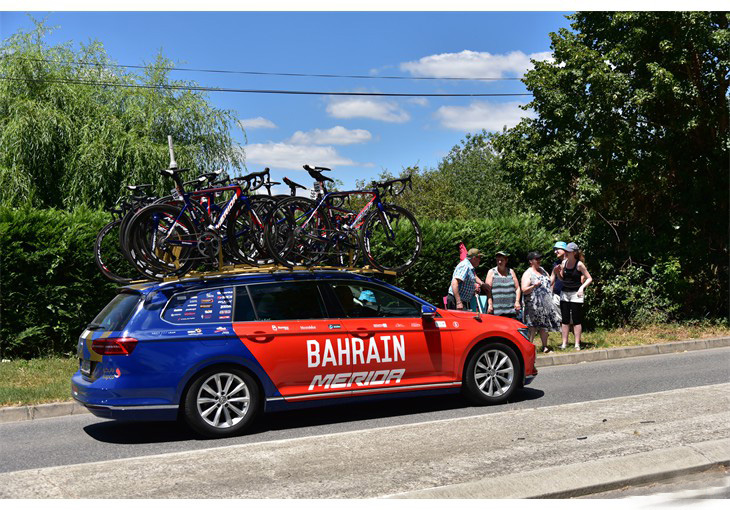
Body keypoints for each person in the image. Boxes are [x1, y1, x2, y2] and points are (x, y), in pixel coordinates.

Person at [521, 251, 561, 352]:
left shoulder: (542, 270)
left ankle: (545, 347)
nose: (539, 260)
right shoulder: (528, 273)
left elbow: (549, 282)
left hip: (544, 303)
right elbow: (524, 289)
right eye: (536, 259)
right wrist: (534, 286)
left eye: (539, 258)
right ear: (531, 261)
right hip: (533, 305)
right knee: (532, 327)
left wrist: (553, 273)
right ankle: (529, 348)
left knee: (544, 326)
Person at [556, 242, 593, 350]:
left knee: (576, 319)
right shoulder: (564, 263)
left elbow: (589, 278)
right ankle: (564, 343)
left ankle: (577, 344)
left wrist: (582, 288)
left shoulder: (579, 264)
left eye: (568, 251)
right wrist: (558, 273)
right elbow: (562, 279)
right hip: (565, 293)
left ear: (574, 252)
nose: (566, 253)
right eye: (566, 251)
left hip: (576, 294)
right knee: (565, 319)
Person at [484, 251, 521, 319]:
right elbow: (488, 290)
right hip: (497, 311)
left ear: (506, 260)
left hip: (511, 310)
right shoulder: (491, 272)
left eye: (502, 260)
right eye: (498, 260)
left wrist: (517, 302)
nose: (499, 262)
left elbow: (518, 288)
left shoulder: (511, 272)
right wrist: (490, 305)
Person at [551, 242, 567, 322]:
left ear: (564, 249)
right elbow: (553, 278)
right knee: (560, 320)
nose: (555, 252)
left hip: (569, 294)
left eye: (557, 249)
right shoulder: (556, 263)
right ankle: (563, 335)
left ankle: (576, 334)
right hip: (557, 295)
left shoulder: (572, 262)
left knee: (572, 319)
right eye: (554, 250)